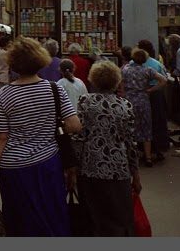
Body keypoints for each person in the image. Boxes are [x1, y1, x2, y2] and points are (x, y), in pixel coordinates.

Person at [0, 37, 82, 237]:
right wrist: (52, 125)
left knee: (19, 219)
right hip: (47, 164)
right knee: (51, 214)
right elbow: (74, 125)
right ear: (40, 59)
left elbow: (1, 137)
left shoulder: (4, 94)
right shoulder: (55, 89)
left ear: (13, 63)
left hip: (13, 169)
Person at [73, 61, 141, 236]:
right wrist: (136, 174)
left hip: (90, 167)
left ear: (93, 80)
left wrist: (73, 168)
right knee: (119, 218)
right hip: (119, 169)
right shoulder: (125, 106)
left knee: (94, 217)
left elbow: (79, 137)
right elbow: (130, 143)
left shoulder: (85, 102)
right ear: (116, 81)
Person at [122, 48, 167, 166]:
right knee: (146, 128)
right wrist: (151, 90)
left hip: (129, 101)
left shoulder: (125, 69)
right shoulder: (148, 70)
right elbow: (163, 80)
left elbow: (119, 83)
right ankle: (148, 158)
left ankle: (130, 156)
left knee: (130, 128)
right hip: (143, 101)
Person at [137, 39, 170, 159]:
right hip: (156, 94)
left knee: (143, 123)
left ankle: (143, 148)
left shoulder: (134, 64)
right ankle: (158, 148)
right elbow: (165, 78)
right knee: (158, 121)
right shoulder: (156, 63)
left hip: (142, 94)